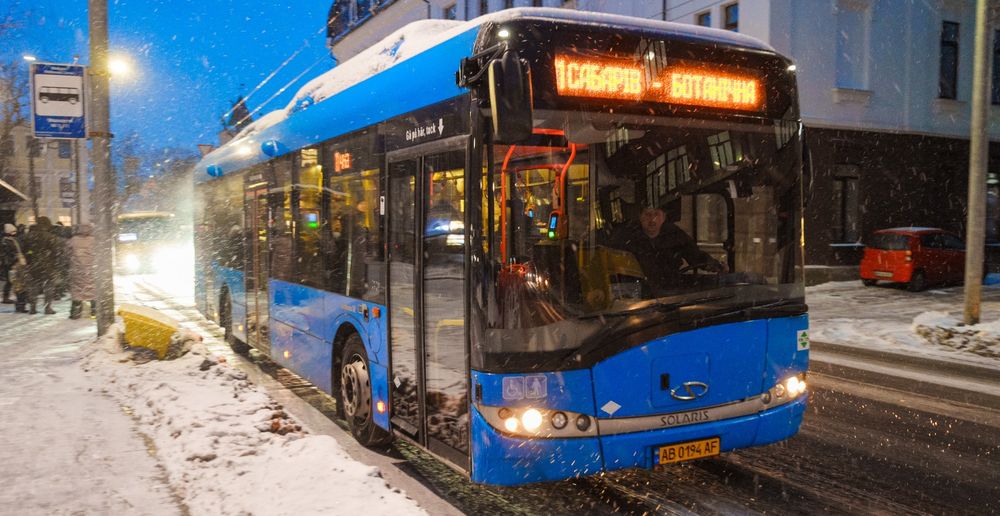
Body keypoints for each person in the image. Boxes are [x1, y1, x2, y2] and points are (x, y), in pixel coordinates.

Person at [609, 202, 723, 295]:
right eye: (647, 214)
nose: (652, 219)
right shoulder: (627, 237)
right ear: (640, 217)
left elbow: (694, 255)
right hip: (638, 294)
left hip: (671, 292)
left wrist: (713, 265)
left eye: (656, 214)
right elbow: (614, 263)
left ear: (663, 217)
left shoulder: (675, 235)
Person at [22, 216, 68, 315]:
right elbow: (56, 252)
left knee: (33, 286)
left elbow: (24, 250)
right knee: (49, 286)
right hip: (48, 265)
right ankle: (48, 308)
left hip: (33, 265)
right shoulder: (50, 237)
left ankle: (32, 307)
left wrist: (29, 259)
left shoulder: (29, 236)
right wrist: (55, 263)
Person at [67, 223, 96, 319]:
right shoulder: (93, 240)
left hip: (77, 269)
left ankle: (75, 313)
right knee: (92, 289)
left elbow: (67, 251)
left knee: (77, 291)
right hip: (90, 269)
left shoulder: (73, 240)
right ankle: (94, 312)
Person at [1, 223, 24, 305]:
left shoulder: (12, 240)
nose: (15, 232)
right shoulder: (6, 241)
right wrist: (14, 258)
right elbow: (7, 253)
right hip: (9, 264)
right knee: (10, 281)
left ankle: (12, 297)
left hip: (13, 263)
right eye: (13, 231)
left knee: (13, 281)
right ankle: (6, 297)